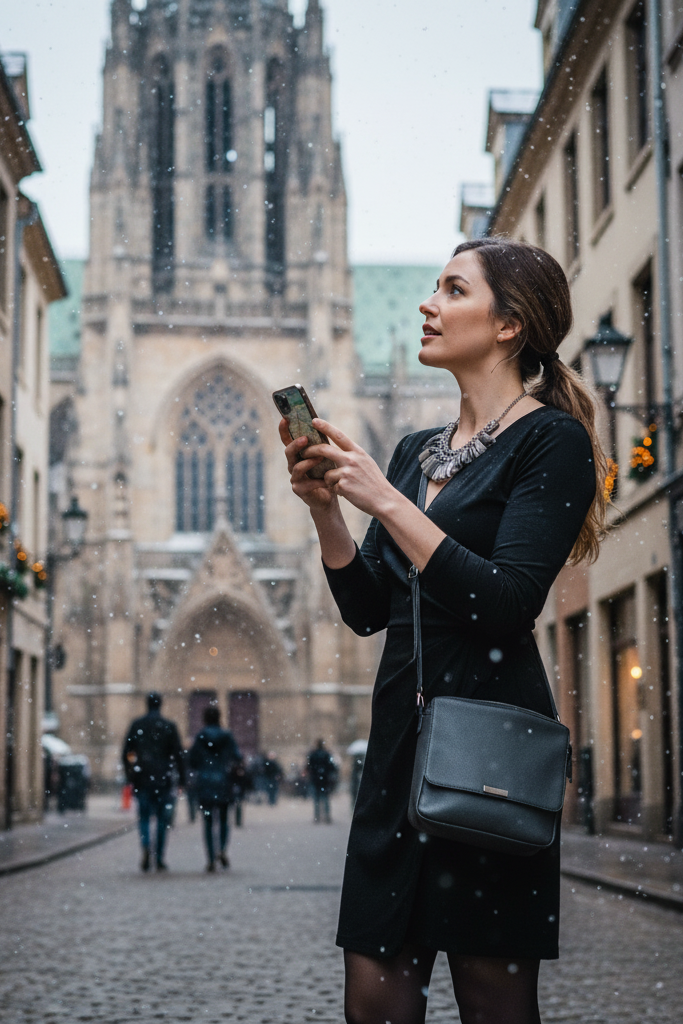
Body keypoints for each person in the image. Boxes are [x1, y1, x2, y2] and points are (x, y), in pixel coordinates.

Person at [278, 238, 606, 1024]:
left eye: (452, 289)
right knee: (374, 1002)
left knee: (493, 1000)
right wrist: (327, 507)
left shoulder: (550, 443)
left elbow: (503, 601)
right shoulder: (414, 452)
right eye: (432, 287)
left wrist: (387, 505)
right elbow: (368, 610)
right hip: (401, 748)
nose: (428, 303)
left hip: (486, 749)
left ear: (508, 325)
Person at [122, 691, 185, 872]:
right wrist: (181, 780)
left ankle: (145, 845)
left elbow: (126, 751)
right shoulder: (169, 726)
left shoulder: (137, 725)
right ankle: (158, 856)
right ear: (161, 704)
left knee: (143, 818)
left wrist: (130, 773)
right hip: (163, 779)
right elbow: (178, 755)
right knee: (161, 821)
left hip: (142, 778)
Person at [189, 704, 241, 871]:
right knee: (224, 820)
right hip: (224, 782)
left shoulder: (200, 736)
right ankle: (222, 849)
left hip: (205, 782)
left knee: (208, 822)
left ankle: (211, 857)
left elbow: (191, 760)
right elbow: (237, 756)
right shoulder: (227, 736)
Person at [307, 739, 337, 823]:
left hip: (315, 779)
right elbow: (332, 767)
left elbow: (309, 766)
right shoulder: (327, 754)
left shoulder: (312, 754)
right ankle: (327, 816)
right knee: (325, 797)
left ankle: (317, 816)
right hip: (325, 779)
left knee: (316, 798)